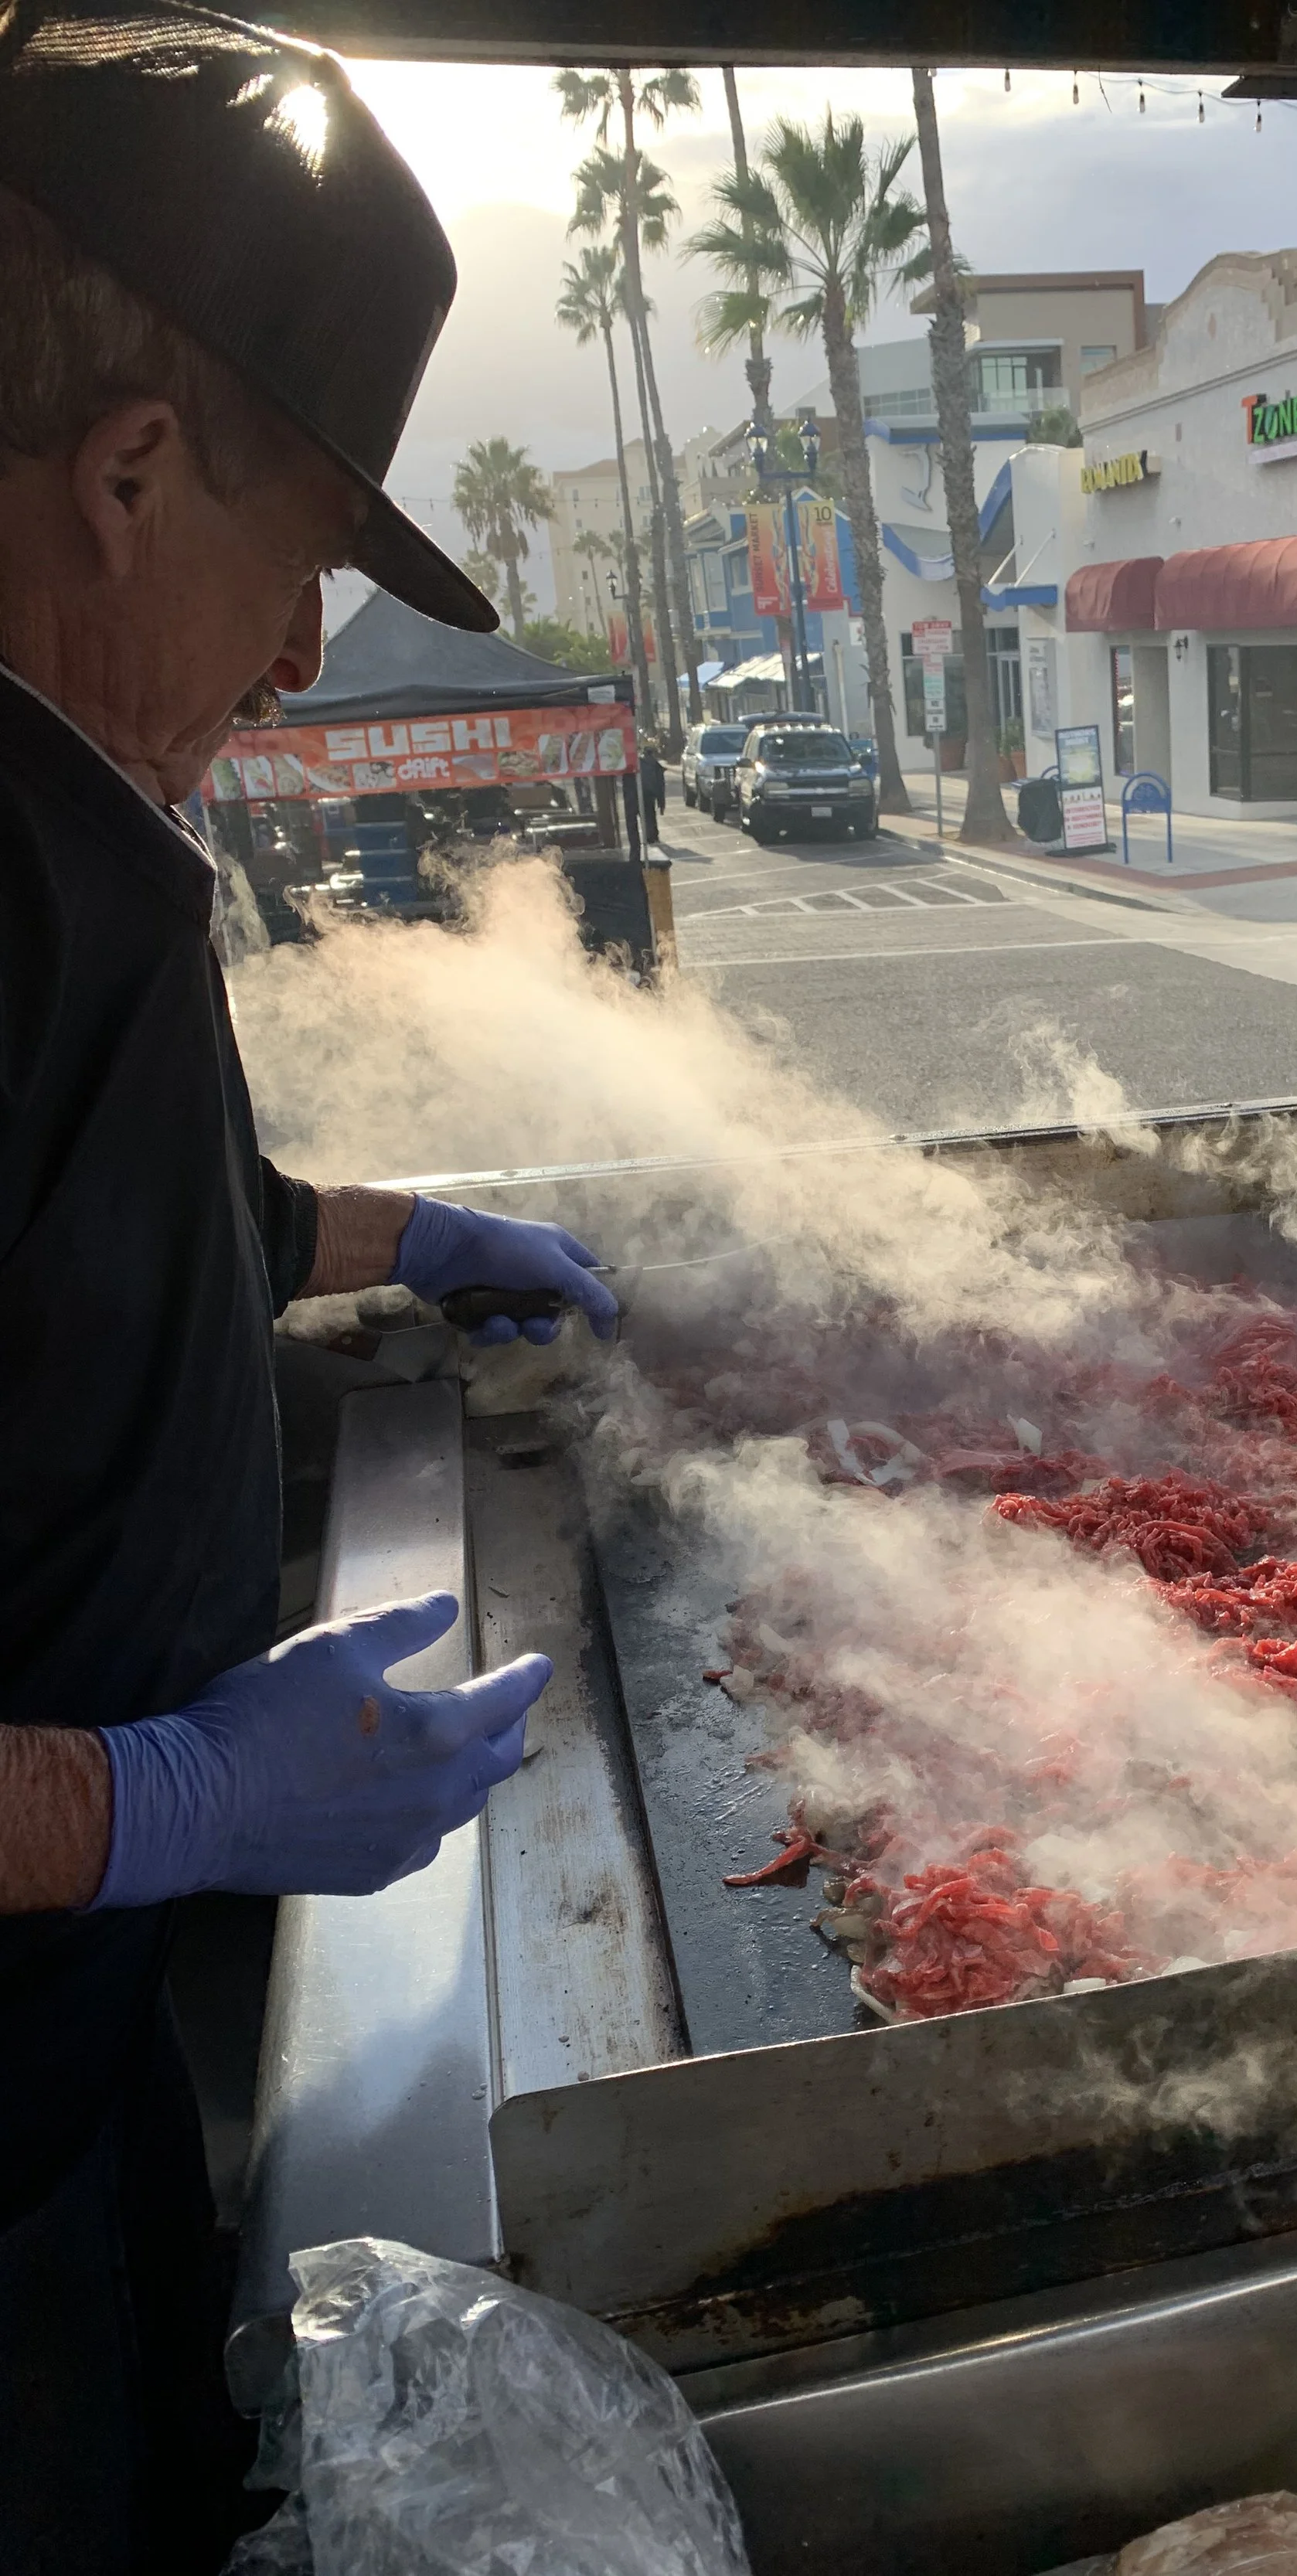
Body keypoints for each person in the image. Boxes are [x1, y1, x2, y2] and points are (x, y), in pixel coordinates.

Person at [0, 10, 619, 2566]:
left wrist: (402, 1237)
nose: (294, 674)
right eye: (301, 582)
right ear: (135, 473)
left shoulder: (55, 815)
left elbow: (129, 1241)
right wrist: (169, 1796)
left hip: (62, 2049)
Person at [638, 733, 667, 843]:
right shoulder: (655, 765)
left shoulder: (640, 763)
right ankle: (653, 835)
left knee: (645, 814)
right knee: (651, 813)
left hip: (642, 792)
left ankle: (650, 835)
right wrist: (662, 803)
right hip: (651, 793)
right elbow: (661, 784)